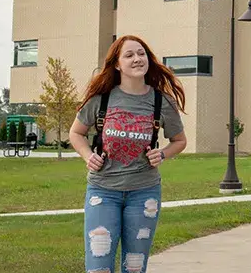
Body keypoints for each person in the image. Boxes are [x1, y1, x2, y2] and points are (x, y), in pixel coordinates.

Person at [69, 35, 187, 273]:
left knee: (134, 266)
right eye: (129, 55)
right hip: (103, 191)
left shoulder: (161, 101)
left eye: (141, 53)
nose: (137, 59)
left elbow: (179, 141)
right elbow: (76, 133)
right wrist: (87, 155)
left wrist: (162, 155)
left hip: (144, 193)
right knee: (98, 266)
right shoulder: (102, 98)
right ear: (117, 64)